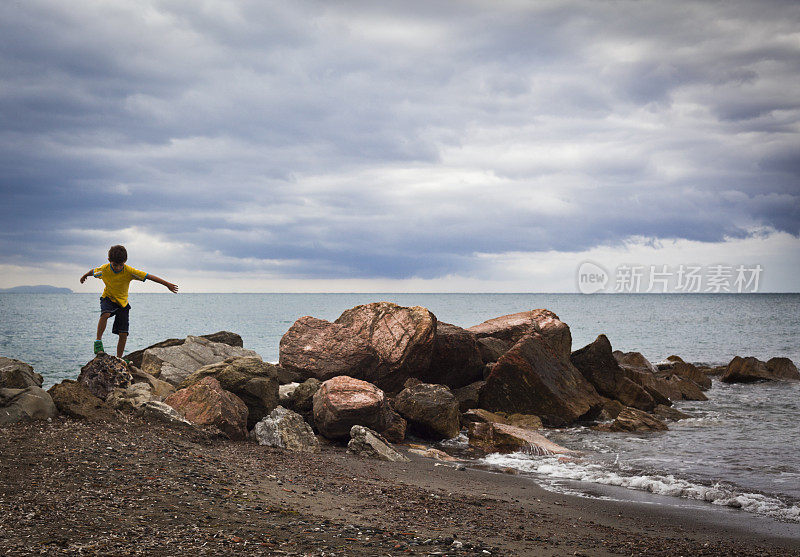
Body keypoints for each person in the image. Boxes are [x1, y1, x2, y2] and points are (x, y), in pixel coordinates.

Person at [80, 245, 178, 358]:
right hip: (108, 298)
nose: (117, 268)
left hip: (123, 304)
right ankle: (98, 341)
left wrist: (167, 284)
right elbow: (93, 272)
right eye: (115, 265)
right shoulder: (104, 270)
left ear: (125, 262)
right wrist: (84, 276)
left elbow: (149, 276)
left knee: (123, 333)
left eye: (121, 265)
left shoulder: (129, 271)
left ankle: (119, 358)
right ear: (109, 261)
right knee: (105, 313)